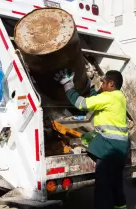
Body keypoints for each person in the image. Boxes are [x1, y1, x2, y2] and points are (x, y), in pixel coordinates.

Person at [55, 69, 129, 209]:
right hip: (121, 148)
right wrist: (90, 87)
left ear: (111, 84)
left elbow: (81, 104)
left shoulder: (108, 97)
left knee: (103, 188)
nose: (102, 85)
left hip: (109, 149)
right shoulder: (119, 97)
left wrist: (67, 85)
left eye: (104, 82)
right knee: (116, 184)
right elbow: (98, 101)